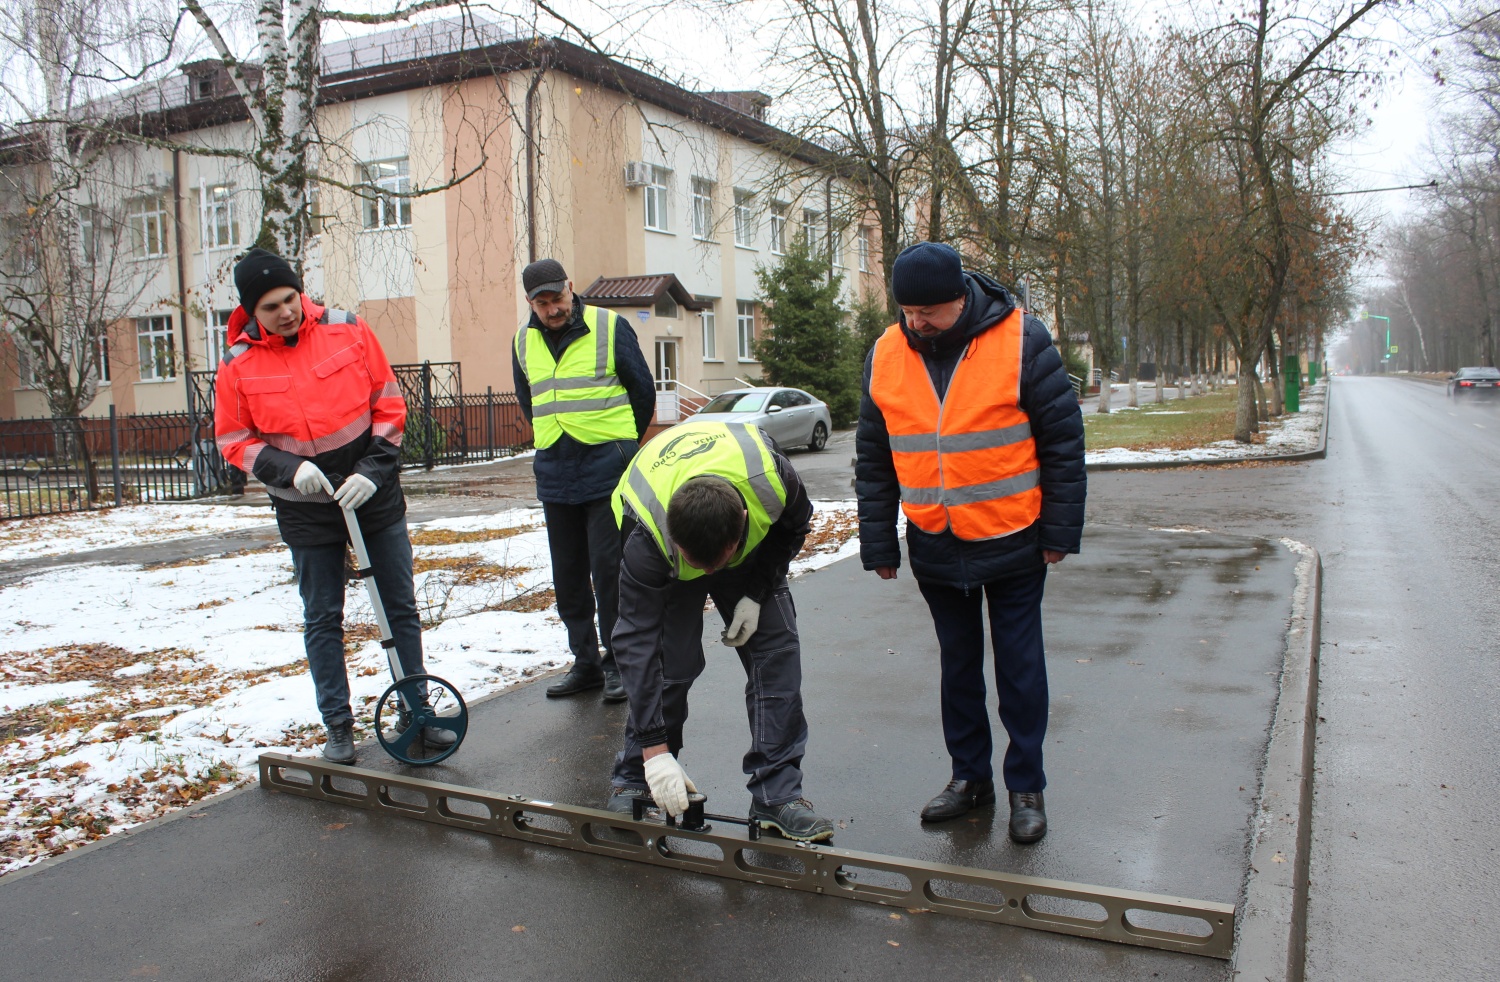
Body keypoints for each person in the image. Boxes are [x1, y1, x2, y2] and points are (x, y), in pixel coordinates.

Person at [855, 242, 1085, 843]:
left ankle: (1026, 786)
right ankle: (969, 779)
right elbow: (874, 458)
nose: (916, 322)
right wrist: (878, 541)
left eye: (929, 310)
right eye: (907, 310)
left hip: (1014, 539)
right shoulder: (885, 353)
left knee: (1020, 671)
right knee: (958, 671)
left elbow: (1063, 444)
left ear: (962, 297)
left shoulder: (1020, 340)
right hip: (935, 541)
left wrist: (1060, 531)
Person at [214, 247, 455, 765]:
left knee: (400, 605)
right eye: (271, 307)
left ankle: (417, 712)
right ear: (250, 314)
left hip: (372, 494)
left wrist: (373, 471)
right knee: (323, 616)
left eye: (289, 298)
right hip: (304, 505)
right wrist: (289, 470)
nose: (286, 312)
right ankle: (338, 727)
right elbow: (234, 438)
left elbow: (389, 404)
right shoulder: (237, 363)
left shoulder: (348, 329)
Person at [605, 420, 833, 842]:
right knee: (670, 665)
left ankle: (777, 796)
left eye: (716, 563)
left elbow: (793, 529)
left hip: (749, 556)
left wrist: (756, 591)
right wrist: (655, 749)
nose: (708, 575)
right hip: (673, 555)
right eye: (698, 562)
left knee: (777, 654)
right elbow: (636, 639)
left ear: (744, 519)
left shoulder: (773, 481)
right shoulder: (648, 534)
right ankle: (637, 775)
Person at [513, 259, 655, 703]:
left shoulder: (610, 327)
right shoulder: (522, 342)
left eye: (558, 297)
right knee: (569, 574)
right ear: (531, 304)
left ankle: (617, 664)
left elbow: (642, 391)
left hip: (606, 469)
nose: (553, 308)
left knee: (609, 571)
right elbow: (527, 400)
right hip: (555, 469)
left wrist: (622, 446)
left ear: (570, 288)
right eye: (543, 302)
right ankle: (586, 663)